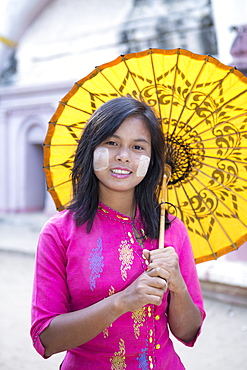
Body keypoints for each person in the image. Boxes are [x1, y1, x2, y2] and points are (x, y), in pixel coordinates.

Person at [31, 96, 205, 369]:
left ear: (151, 160)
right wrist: (123, 301)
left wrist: (178, 285)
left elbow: (188, 332)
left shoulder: (170, 229)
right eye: (112, 143)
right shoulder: (59, 232)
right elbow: (46, 338)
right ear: (91, 148)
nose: (124, 155)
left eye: (138, 146)